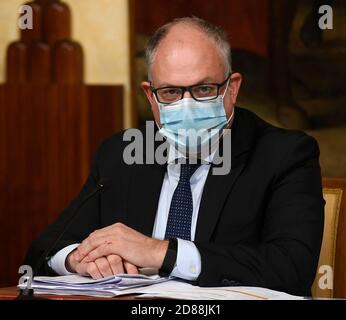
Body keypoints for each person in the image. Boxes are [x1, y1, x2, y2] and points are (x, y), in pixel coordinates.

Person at [24, 17, 325, 296]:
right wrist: (80, 259)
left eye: (204, 89)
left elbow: (291, 267)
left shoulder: (284, 155)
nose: (188, 105)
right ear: (150, 97)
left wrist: (160, 252)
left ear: (232, 89)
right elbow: (44, 251)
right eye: (170, 92)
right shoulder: (121, 155)